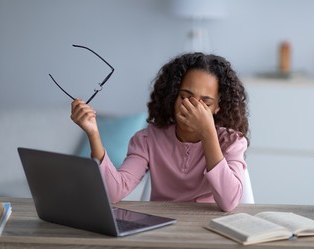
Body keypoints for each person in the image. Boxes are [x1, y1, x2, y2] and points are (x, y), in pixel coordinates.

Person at [71, 52, 249, 212]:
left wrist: (208, 133)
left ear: (218, 106)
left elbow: (229, 202)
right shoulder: (148, 139)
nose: (192, 108)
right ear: (173, 96)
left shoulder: (232, 142)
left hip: (209, 231)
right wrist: (94, 134)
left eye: (206, 103)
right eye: (185, 97)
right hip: (162, 228)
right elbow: (113, 192)